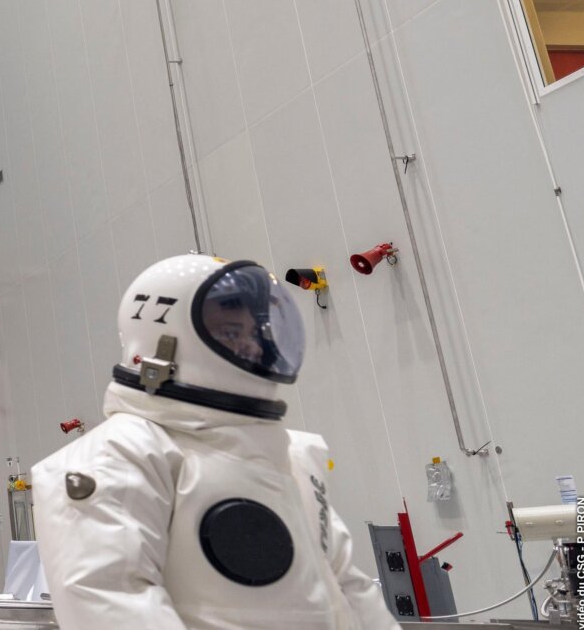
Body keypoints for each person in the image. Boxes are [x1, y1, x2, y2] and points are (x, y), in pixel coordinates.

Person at [30, 254, 398, 629]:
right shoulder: (123, 454)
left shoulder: (293, 458)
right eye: (230, 333)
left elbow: (349, 592)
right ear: (163, 344)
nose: (252, 346)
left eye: (254, 332)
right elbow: (110, 602)